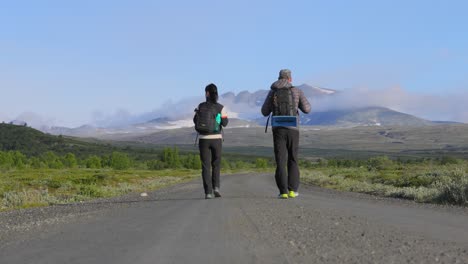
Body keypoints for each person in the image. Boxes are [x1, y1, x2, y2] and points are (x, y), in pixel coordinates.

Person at [261, 69, 311, 199]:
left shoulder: (273, 92)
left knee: (280, 160)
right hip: (293, 128)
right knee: (293, 159)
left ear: (278, 78)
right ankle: (292, 190)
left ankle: (283, 192)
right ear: (290, 79)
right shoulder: (296, 91)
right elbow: (307, 109)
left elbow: (264, 112)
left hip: (278, 129)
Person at [194, 83, 229, 199]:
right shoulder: (220, 107)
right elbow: (225, 123)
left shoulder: (200, 106)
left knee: (205, 166)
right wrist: (218, 119)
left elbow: (195, 121)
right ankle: (216, 188)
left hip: (203, 139)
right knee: (216, 165)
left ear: (207, 93)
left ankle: (208, 192)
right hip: (216, 139)